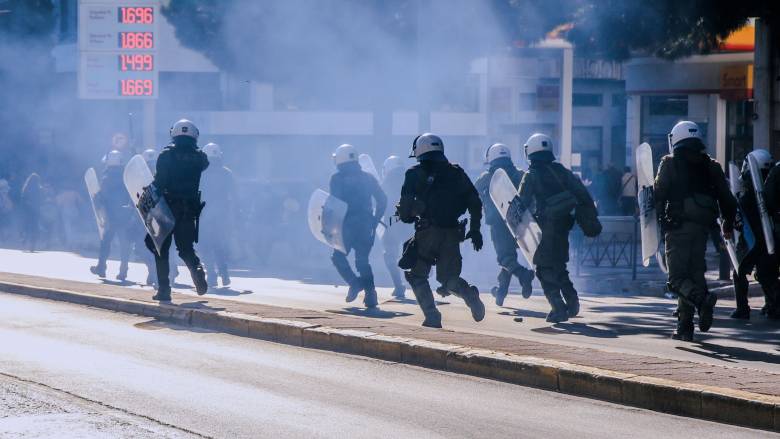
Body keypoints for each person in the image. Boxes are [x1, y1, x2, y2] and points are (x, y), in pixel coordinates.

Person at [654, 121, 737, 341]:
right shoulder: (712, 165)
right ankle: (685, 326)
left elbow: (658, 194)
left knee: (676, 279)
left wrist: (656, 219)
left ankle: (702, 301)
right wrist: (727, 225)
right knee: (694, 274)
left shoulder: (669, 163)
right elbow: (728, 199)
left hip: (677, 227)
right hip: (702, 228)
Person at [396, 133, 485, 328]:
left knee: (417, 275)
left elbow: (404, 212)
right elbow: (475, 202)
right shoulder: (457, 172)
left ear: (419, 150)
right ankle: (469, 295)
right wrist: (476, 229)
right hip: (453, 233)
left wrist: (408, 215)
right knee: (448, 279)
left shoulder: (413, 174)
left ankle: (432, 316)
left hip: (427, 233)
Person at [516, 134, 594, 323]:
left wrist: (517, 230)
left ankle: (558, 308)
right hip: (563, 225)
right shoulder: (562, 171)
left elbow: (521, 204)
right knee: (559, 265)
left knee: (543, 268)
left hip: (544, 227)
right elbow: (582, 193)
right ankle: (572, 301)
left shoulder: (531, 174)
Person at [146, 119, 209, 301]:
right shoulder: (200, 157)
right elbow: (205, 165)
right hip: (188, 209)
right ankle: (197, 269)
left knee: (161, 249)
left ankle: (164, 290)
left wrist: (148, 190)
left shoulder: (166, 155)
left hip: (166, 208)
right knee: (186, 248)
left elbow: (159, 183)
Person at [474, 143, 534, 306]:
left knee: (505, 258)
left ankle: (524, 275)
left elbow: (473, 194)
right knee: (509, 257)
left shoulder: (486, 178)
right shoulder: (521, 174)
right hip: (521, 223)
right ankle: (501, 292)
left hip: (499, 225)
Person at [329, 144, 387, 308]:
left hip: (346, 226)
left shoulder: (336, 178)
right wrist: (375, 220)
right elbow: (382, 200)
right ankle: (371, 295)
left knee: (337, 256)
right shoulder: (368, 178)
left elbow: (335, 203)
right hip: (366, 226)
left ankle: (354, 283)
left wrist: (330, 226)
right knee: (362, 261)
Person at [735, 150, 779, 320]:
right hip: (770, 239)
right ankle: (772, 305)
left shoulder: (749, 196)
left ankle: (742, 308)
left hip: (754, 241)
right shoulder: (771, 188)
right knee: (768, 272)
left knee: (740, 273)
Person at [117, 149, 158, 285]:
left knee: (140, 246)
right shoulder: (160, 175)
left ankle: (153, 270)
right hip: (152, 217)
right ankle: (159, 272)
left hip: (145, 218)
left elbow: (136, 194)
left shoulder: (145, 175)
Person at [90, 151, 131, 277]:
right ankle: (123, 270)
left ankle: (101, 267)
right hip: (125, 215)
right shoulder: (126, 176)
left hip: (112, 216)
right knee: (125, 243)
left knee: (106, 242)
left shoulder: (107, 177)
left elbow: (103, 197)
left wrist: (97, 197)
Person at [200, 142, 235, 288]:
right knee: (220, 245)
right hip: (223, 215)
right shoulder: (227, 173)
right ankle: (224, 273)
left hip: (204, 215)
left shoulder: (199, 173)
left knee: (205, 246)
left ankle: (212, 276)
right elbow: (234, 196)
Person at [380, 155, 410, 299]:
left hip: (393, 223)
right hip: (410, 222)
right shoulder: (411, 177)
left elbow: (382, 201)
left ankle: (399, 286)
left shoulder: (386, 182)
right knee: (411, 252)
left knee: (390, 255)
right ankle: (422, 279)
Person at [20, 173, 44, 252]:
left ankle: (24, 243)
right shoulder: (39, 189)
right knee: (34, 228)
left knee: (26, 227)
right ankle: (32, 246)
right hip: (36, 211)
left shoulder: (26, 189)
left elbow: (23, 200)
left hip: (27, 211)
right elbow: (41, 200)